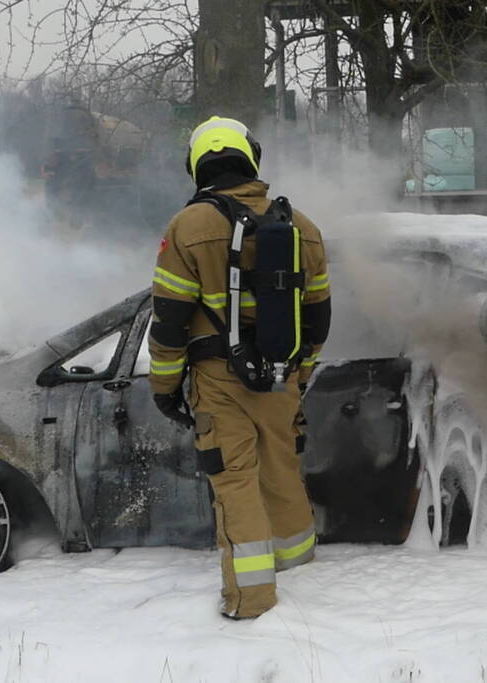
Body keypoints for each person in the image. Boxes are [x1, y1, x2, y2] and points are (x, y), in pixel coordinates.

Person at [147, 116, 331, 618]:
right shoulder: (304, 228)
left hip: (218, 381)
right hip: (282, 378)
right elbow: (318, 319)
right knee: (282, 471)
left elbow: (169, 321)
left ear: (198, 166)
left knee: (235, 482)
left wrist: (164, 387)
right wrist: (300, 374)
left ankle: (250, 601)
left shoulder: (187, 228)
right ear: (251, 158)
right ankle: (302, 581)